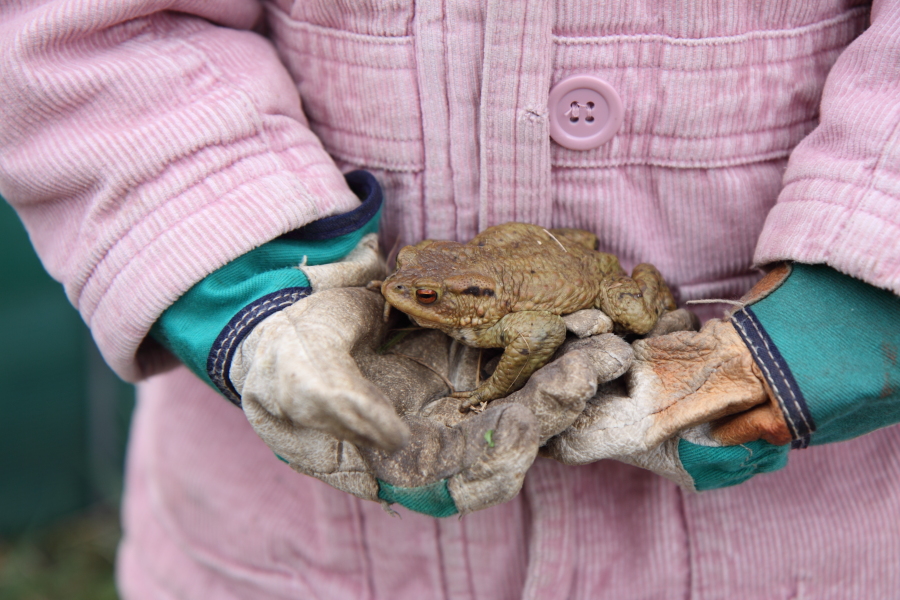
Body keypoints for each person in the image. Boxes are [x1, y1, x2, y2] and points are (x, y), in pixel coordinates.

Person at [1, 0, 899, 597]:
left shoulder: (498, 319)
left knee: (618, 309)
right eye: (419, 291)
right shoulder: (435, 291)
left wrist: (834, 320)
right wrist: (242, 285)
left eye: (428, 298)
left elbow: (532, 331)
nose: (413, 300)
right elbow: (81, 28)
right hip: (289, 559)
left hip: (812, 550)